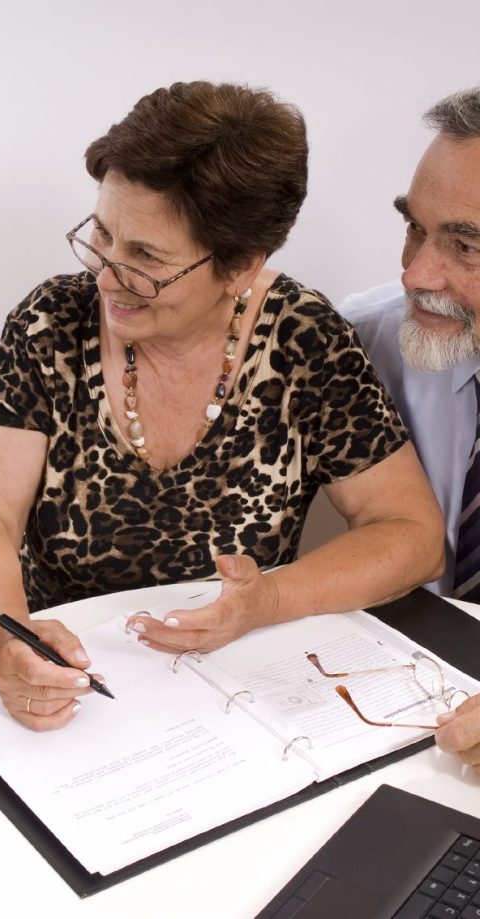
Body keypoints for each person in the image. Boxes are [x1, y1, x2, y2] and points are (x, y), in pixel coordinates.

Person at [0, 80, 444, 733]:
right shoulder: (50, 325)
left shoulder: (302, 339)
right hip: (71, 696)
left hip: (238, 699)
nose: (106, 276)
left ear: (240, 266)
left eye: (145, 258)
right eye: (102, 235)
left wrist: (266, 598)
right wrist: (14, 642)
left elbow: (412, 534)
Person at [338, 88, 480, 778]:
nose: (416, 273)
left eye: (465, 246)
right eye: (414, 229)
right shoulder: (362, 341)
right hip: (398, 716)